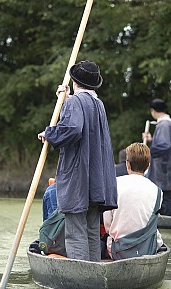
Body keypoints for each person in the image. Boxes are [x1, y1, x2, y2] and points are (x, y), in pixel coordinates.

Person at [38, 60, 118, 262]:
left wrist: (50, 134)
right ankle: (93, 273)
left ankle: (82, 276)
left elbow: (72, 129)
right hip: (96, 181)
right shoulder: (98, 104)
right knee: (92, 229)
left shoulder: (76, 102)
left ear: (74, 81)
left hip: (78, 179)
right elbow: (80, 124)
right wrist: (64, 100)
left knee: (75, 232)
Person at [103, 142, 164, 259]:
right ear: (148, 166)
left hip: (118, 251)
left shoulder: (113, 185)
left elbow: (107, 227)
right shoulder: (158, 191)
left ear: (127, 164)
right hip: (147, 249)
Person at [142, 98, 171, 217]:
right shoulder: (166, 123)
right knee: (166, 195)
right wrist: (151, 139)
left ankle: (169, 217)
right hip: (165, 168)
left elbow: (164, 146)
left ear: (153, 111)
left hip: (165, 168)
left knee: (166, 196)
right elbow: (163, 143)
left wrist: (147, 152)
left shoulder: (164, 124)